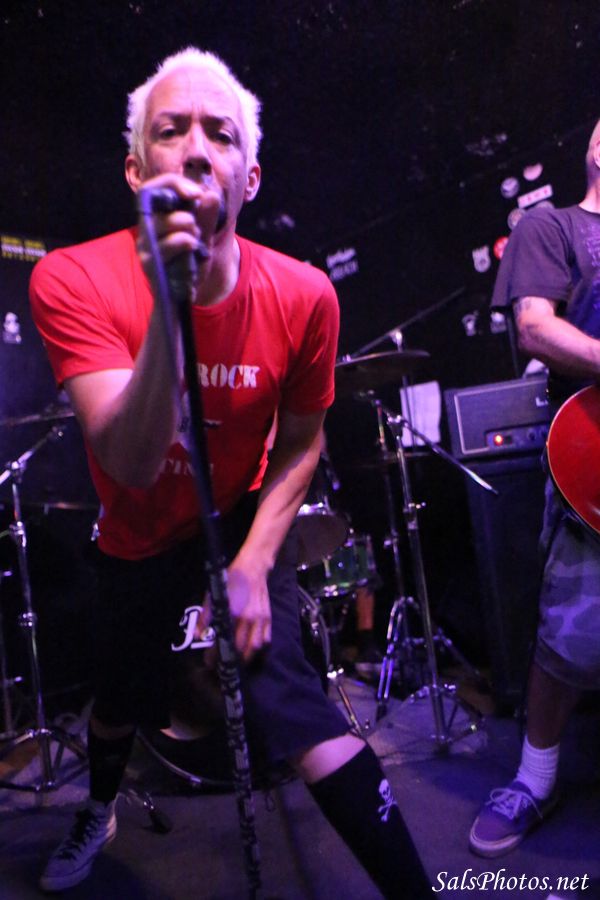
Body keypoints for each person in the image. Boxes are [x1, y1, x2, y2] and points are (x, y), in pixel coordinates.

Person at [29, 48, 430, 897]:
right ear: (137, 169)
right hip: (138, 528)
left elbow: (303, 441)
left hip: (242, 515)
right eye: (170, 131)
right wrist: (170, 306)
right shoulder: (72, 278)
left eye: (221, 133)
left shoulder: (305, 295)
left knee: (294, 703)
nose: (196, 149)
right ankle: (96, 809)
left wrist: (251, 563)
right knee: (119, 699)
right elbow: (132, 462)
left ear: (249, 177)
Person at [469, 119, 600, 858]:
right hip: (592, 456)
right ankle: (535, 776)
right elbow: (536, 328)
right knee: (572, 631)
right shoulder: (553, 228)